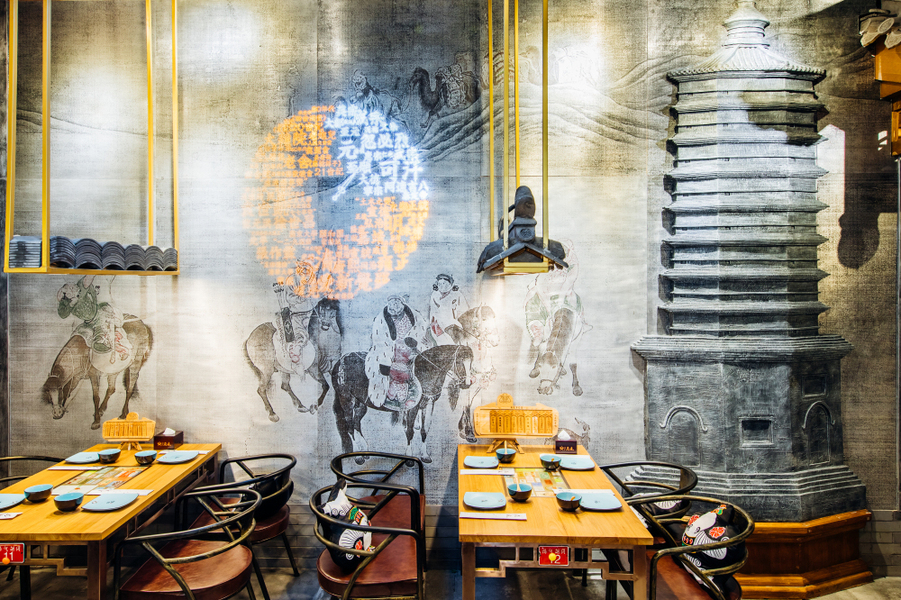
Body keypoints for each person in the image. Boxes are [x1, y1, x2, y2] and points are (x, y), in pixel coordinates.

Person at [364, 294, 428, 411]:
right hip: (390, 350)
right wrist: (385, 356)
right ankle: (389, 393)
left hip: (409, 347)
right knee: (383, 369)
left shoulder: (413, 314)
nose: (395, 309)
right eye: (392, 307)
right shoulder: (381, 318)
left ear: (402, 304)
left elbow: (420, 326)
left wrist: (413, 339)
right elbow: (379, 338)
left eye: (397, 304)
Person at [57, 276, 132, 367]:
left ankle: (121, 351)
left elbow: (87, 279)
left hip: (100, 314)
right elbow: (62, 314)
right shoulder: (66, 302)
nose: (74, 289)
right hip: (88, 322)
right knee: (78, 335)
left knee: (102, 336)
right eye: (70, 289)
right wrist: (71, 304)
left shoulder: (81, 289)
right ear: (66, 294)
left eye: (73, 287)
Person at [428, 274, 468, 345]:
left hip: (455, 322)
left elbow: (464, 310)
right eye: (439, 284)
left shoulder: (457, 294)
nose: (442, 286)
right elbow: (433, 313)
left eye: (444, 283)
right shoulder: (435, 295)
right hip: (439, 322)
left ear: (450, 284)